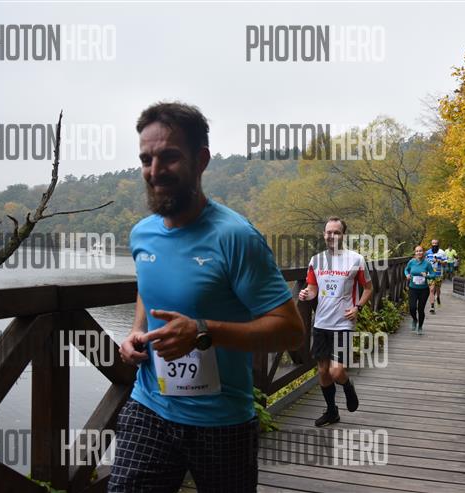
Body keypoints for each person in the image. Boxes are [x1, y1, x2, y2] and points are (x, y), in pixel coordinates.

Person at [111, 102, 305, 493]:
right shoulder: (141, 234)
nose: (155, 171)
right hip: (149, 407)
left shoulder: (236, 237)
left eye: (169, 157)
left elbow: (290, 331)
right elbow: (147, 287)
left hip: (222, 421)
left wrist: (203, 331)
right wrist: (135, 331)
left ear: (201, 160)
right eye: (146, 159)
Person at [298, 217, 373, 427]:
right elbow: (313, 289)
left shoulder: (356, 260)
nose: (332, 236)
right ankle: (332, 411)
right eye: (328, 232)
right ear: (324, 234)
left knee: (336, 371)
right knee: (323, 371)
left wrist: (358, 307)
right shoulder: (316, 260)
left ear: (343, 235)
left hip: (343, 323)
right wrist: (305, 294)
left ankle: (347, 386)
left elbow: (368, 288)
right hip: (321, 323)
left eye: (336, 232)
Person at [404, 245, 436, 334]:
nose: (419, 252)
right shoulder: (411, 262)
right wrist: (407, 275)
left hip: (424, 290)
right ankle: (415, 319)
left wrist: (427, 275)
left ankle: (420, 327)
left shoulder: (427, 263)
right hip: (413, 289)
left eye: (420, 251)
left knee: (421, 309)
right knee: (412, 308)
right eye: (417, 251)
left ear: (423, 252)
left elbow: (433, 275)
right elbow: (406, 270)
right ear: (415, 253)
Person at [426, 239, 448, 314]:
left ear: (438, 244)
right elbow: (425, 263)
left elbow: (445, 263)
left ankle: (438, 297)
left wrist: (438, 261)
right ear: (431, 244)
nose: (434, 245)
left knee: (438, 289)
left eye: (436, 243)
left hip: (439, 274)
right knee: (432, 289)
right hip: (430, 274)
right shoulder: (428, 252)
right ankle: (432, 307)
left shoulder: (442, 252)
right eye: (433, 243)